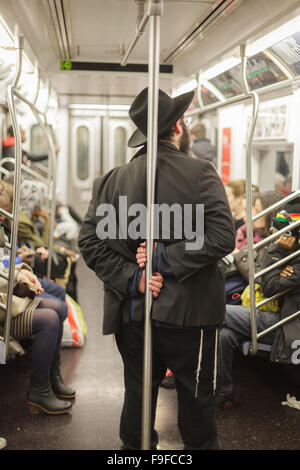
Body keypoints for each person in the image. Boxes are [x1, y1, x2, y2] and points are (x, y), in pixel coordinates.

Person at [78, 87, 235, 450]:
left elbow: (90, 243)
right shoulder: (200, 172)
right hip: (190, 312)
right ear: (177, 126)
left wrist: (135, 278)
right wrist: (166, 259)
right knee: (196, 403)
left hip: (133, 311)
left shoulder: (109, 181)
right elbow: (222, 236)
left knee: (138, 397)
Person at [218, 197, 300, 410]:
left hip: (285, 323)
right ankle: (223, 392)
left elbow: (267, 285)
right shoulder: (292, 254)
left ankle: (180, 371)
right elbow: (267, 279)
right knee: (224, 335)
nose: (276, 237)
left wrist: (278, 251)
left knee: (216, 311)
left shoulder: (293, 257)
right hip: (275, 314)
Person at [0, 257, 75, 414]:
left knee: (59, 308)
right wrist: (16, 277)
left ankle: (50, 375)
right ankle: (39, 389)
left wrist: (20, 273)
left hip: (6, 294)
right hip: (3, 308)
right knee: (49, 319)